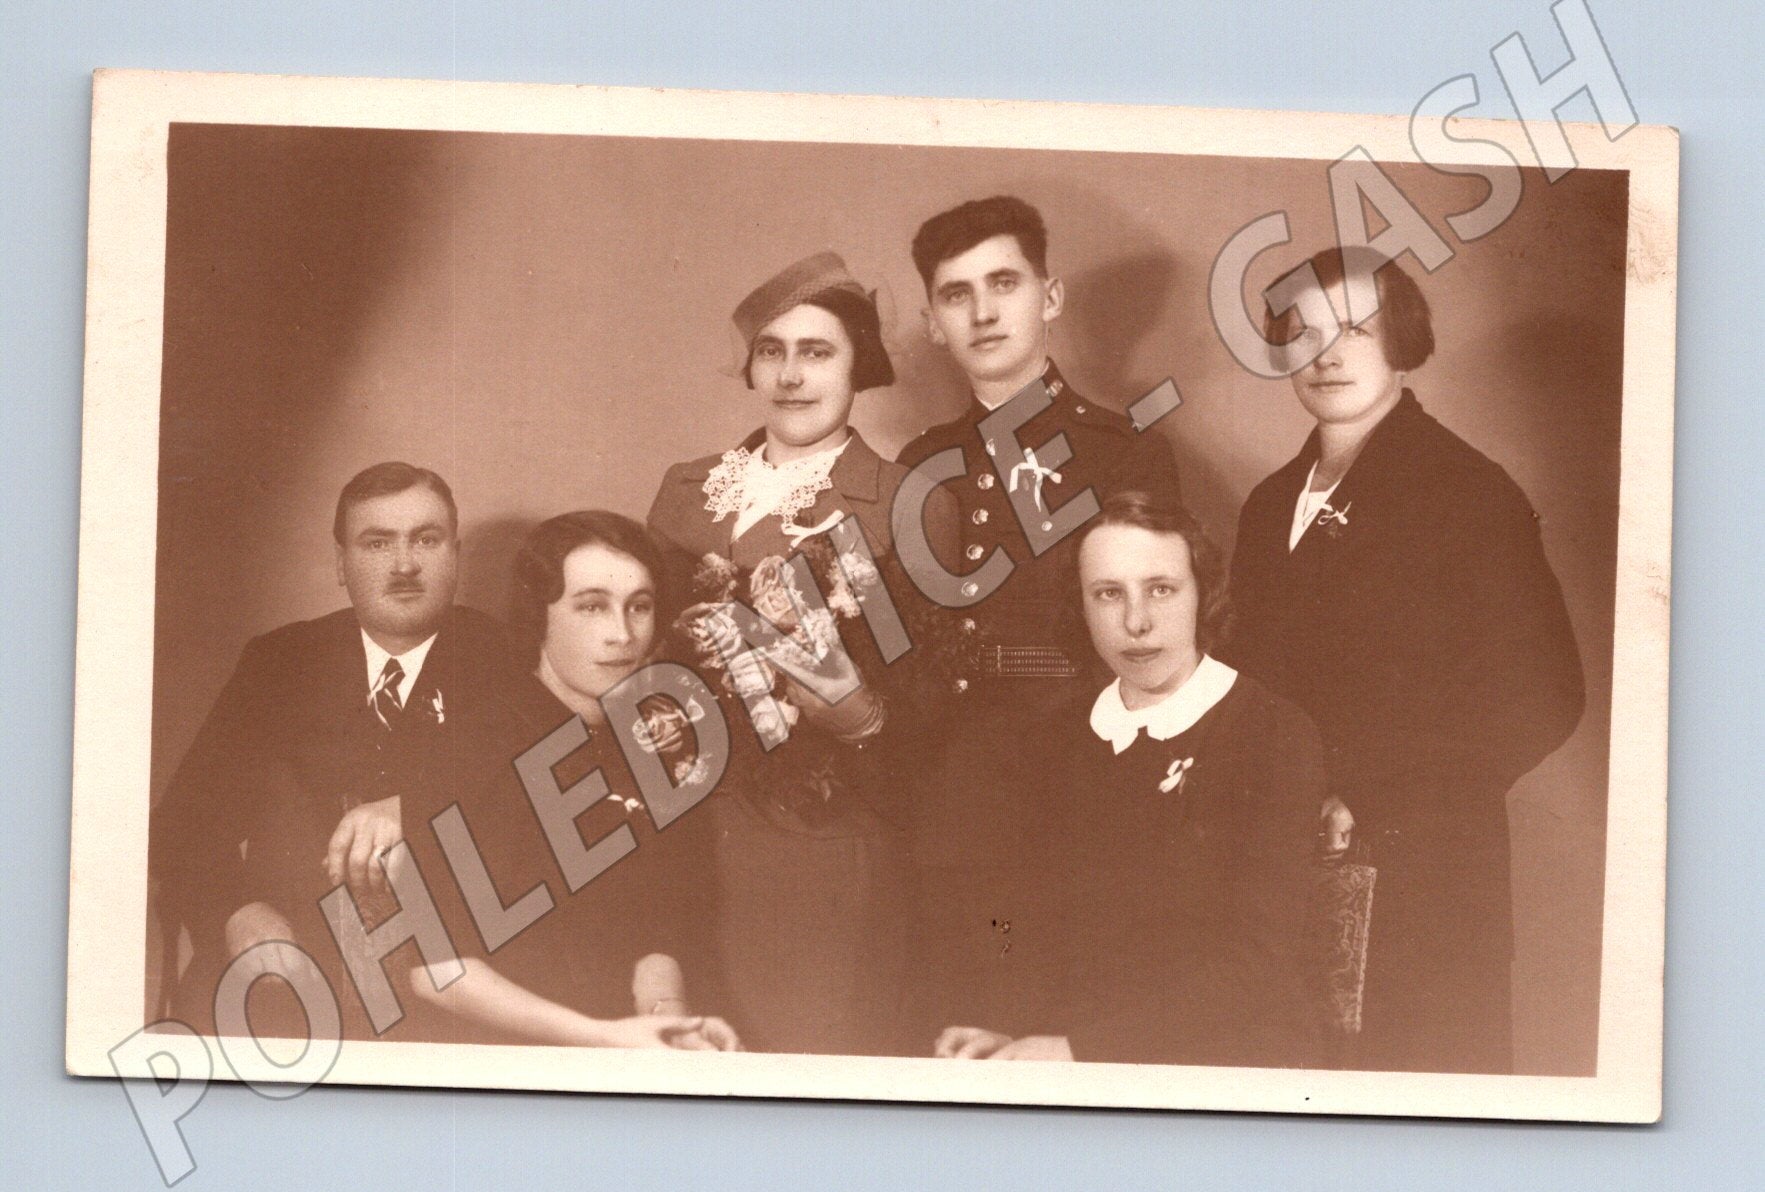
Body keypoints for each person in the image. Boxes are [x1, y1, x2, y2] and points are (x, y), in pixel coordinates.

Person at [1224, 247, 1585, 1073]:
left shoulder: (1466, 489)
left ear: (1400, 340)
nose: (1326, 354)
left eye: (1354, 328)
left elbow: (1544, 694)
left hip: (1426, 874)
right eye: (1304, 332)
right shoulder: (1269, 504)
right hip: (1287, 861)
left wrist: (1370, 792)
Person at [645, 250, 960, 1055]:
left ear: (858, 367)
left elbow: (933, 710)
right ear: (751, 367)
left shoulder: (907, 503)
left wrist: (859, 714)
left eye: (816, 352)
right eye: (772, 351)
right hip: (685, 831)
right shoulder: (685, 489)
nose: (790, 375)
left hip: (822, 839)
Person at [894, 195, 1184, 1041]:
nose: (982, 312)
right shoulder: (920, 465)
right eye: (956, 295)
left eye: (1004, 283)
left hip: (1079, 783)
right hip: (945, 787)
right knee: (951, 1029)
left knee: (1051, 1029)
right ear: (933, 322)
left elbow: (1157, 642)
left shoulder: (1123, 451)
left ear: (1048, 297)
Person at [935, 492, 1322, 1067]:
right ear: (1081, 606)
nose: (1136, 622)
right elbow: (1027, 930)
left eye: (1161, 589)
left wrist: (1077, 1052)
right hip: (1078, 1054)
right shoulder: (1055, 735)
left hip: (1229, 1059)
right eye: (1108, 594)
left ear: (1204, 594)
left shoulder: (1271, 733)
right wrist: (1008, 1030)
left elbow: (1258, 965)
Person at [149, 462, 523, 1034]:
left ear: (455, 554)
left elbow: (543, 803)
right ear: (341, 564)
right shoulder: (279, 662)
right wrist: (240, 915)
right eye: (377, 543)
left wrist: (416, 806)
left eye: (426, 539)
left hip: (453, 983)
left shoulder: (510, 658)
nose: (404, 565)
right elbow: (184, 828)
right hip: (289, 974)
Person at [397, 511, 738, 1050]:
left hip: (618, 1038)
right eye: (592, 606)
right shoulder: (473, 744)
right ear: (539, 616)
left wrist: (670, 1024)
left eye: (639, 606)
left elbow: (660, 931)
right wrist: (601, 1038)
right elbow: (434, 968)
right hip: (496, 1052)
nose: (622, 634)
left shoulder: (653, 744)